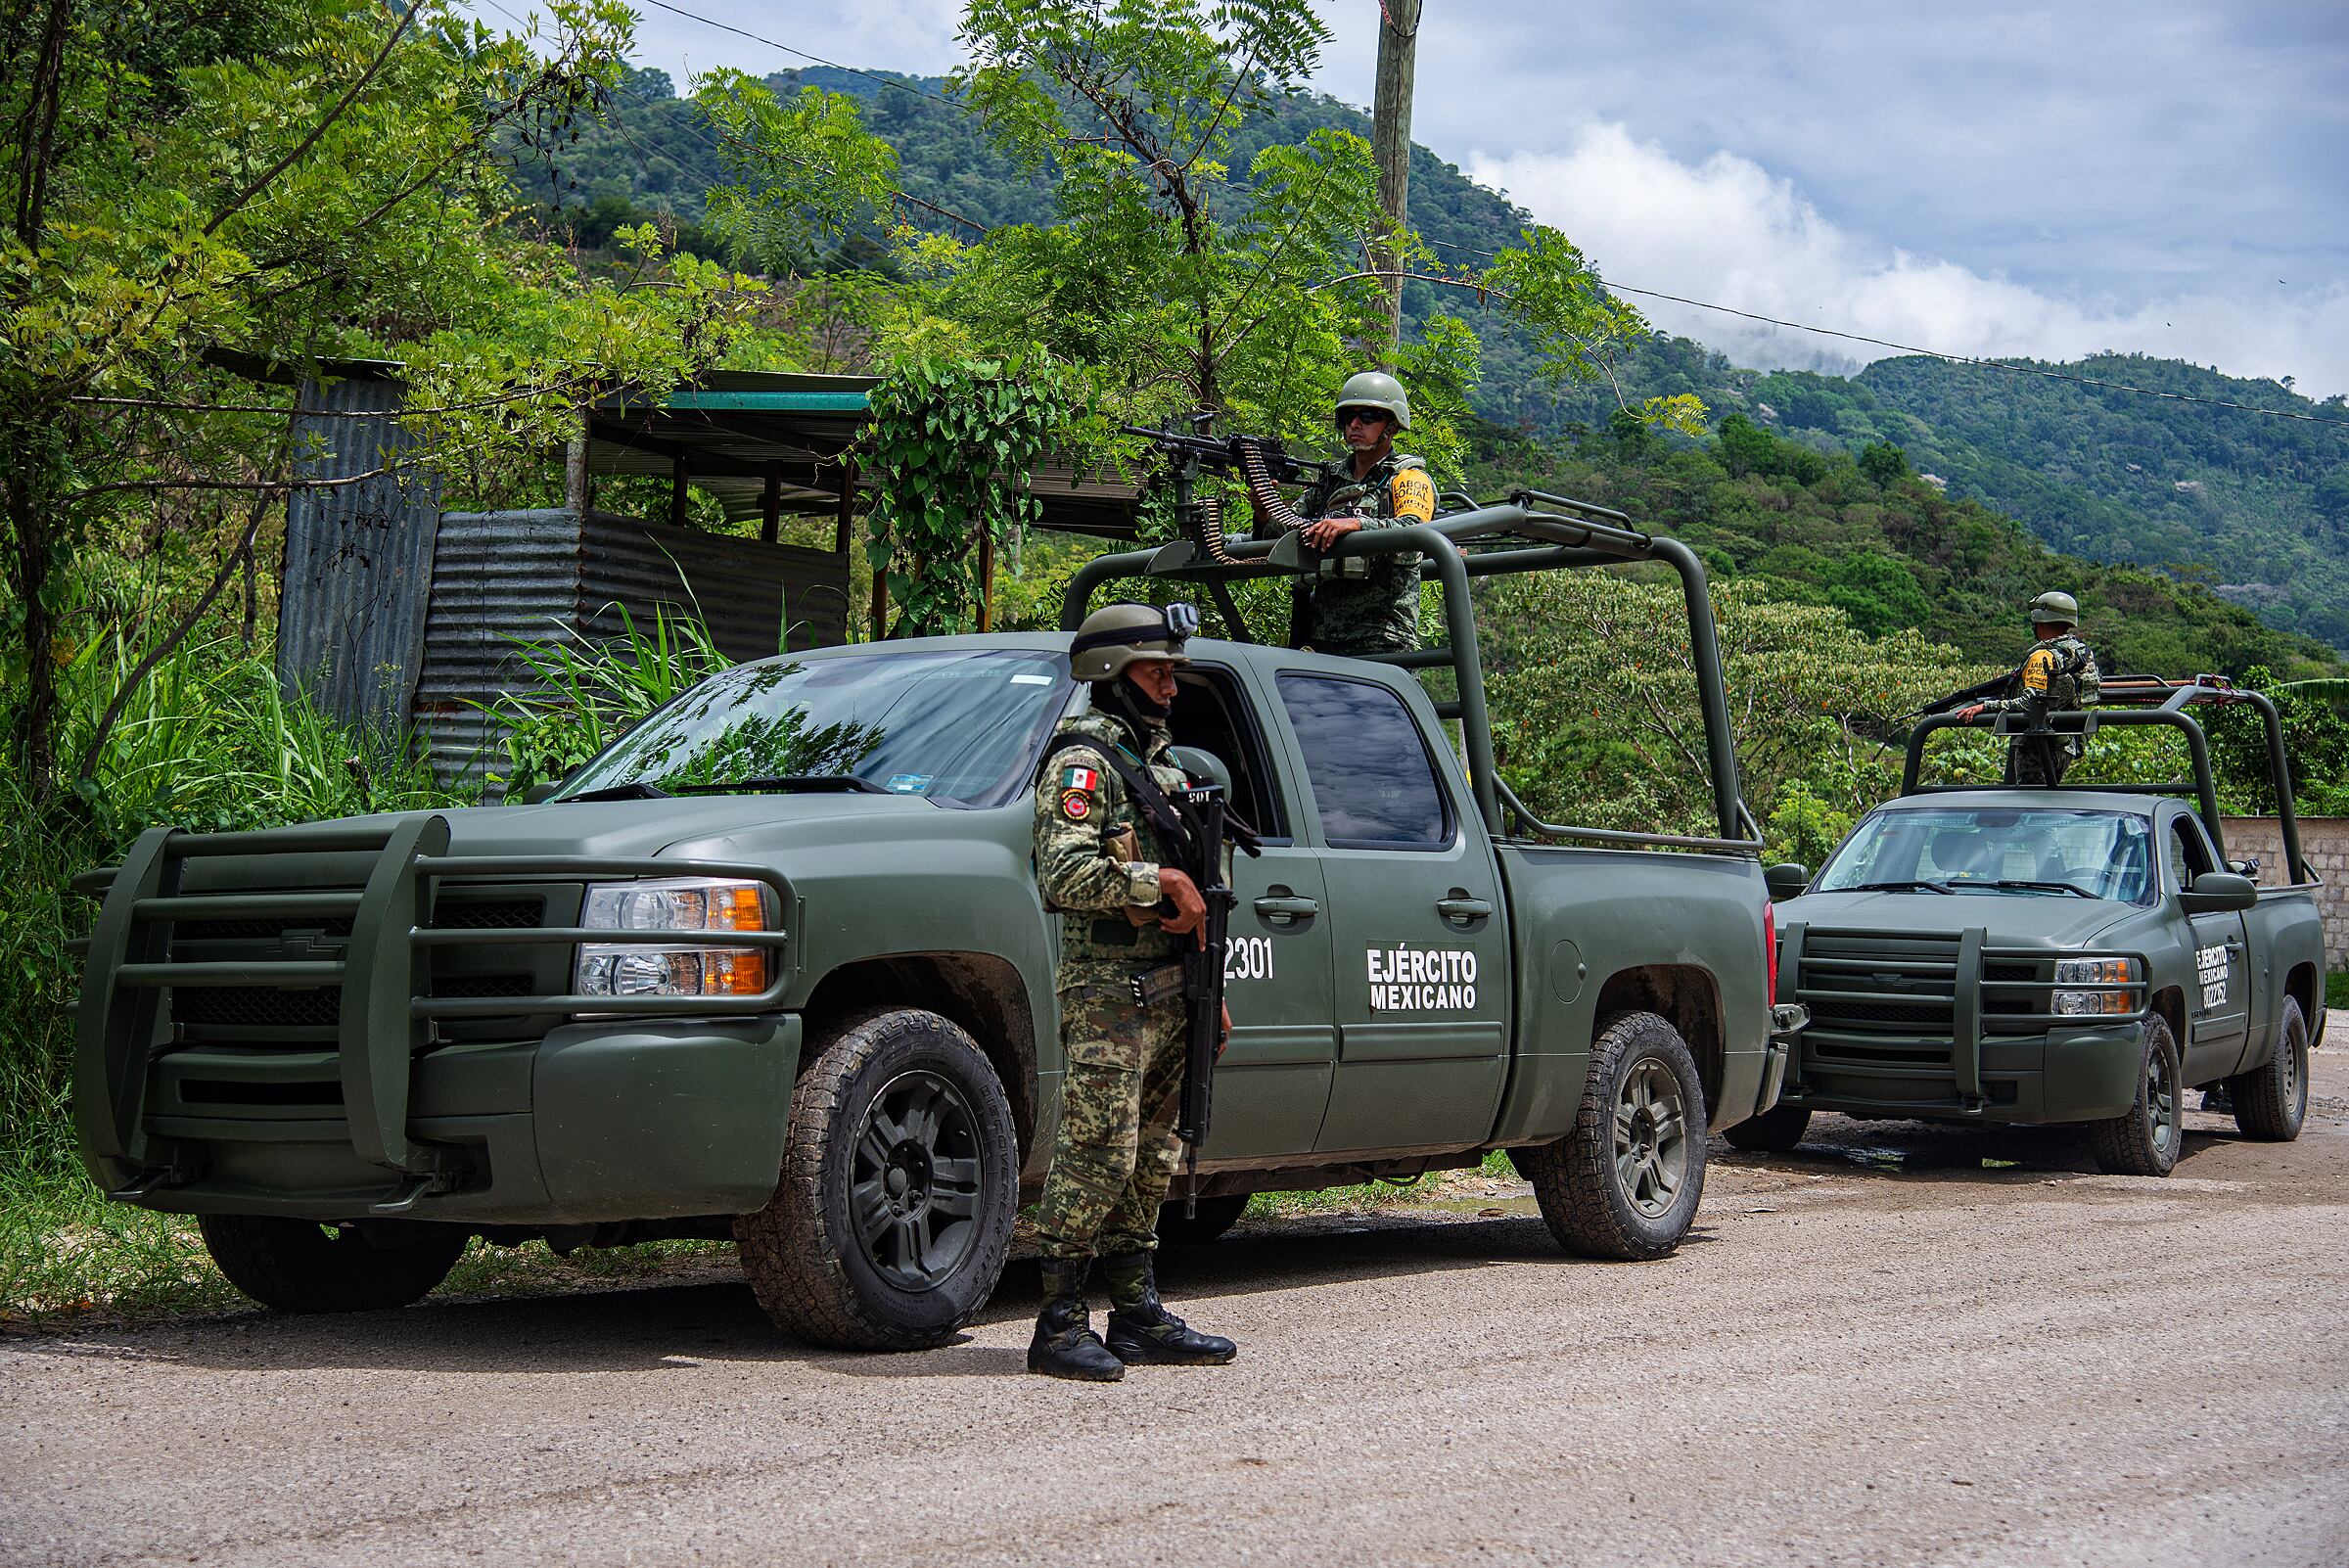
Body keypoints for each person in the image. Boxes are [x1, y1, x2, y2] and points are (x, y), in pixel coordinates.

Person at [1028, 600, 1238, 1382]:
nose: (1170, 686)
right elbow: (1062, 873)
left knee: (1152, 1154)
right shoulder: (1081, 765)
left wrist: (1209, 989)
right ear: (1112, 672)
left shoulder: (1164, 766)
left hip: (1173, 988)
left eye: (1173, 670)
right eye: (1157, 669)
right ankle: (1057, 1323)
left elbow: (1203, 897)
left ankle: (1136, 1311)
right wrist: (1160, 880)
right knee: (1097, 1153)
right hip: (1109, 990)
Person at [1258, 370, 1439, 656]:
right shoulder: (1330, 481)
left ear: (1391, 425)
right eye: (1348, 417)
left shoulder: (1408, 477)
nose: (1355, 424)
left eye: (1368, 417)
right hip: (1321, 637)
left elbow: (1414, 530)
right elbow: (1284, 531)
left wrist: (1355, 525)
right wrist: (1264, 511)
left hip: (1382, 637)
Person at [1957, 590, 2102, 786]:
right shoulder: (2081, 652)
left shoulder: (2042, 656)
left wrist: (1985, 707)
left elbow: (2030, 701)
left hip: (2037, 746)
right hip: (2066, 745)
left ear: (2040, 622)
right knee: (2045, 803)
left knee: (2028, 804)